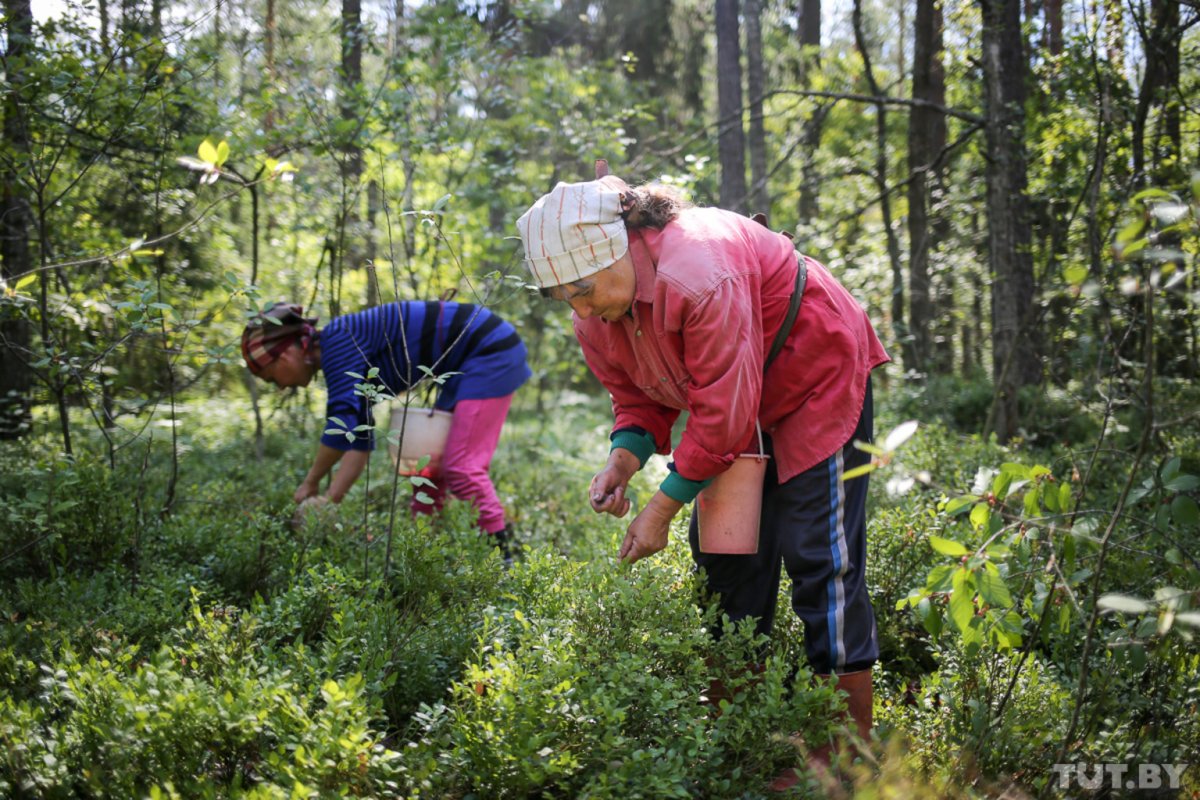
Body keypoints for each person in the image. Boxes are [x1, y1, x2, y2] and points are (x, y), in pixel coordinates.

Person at [516, 172, 889, 781]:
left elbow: (721, 418)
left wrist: (659, 508)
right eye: (565, 299)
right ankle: (739, 729)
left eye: (583, 290)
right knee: (725, 553)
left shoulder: (698, 270)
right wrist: (623, 458)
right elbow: (638, 395)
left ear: (616, 250)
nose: (581, 310)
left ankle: (845, 755)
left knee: (821, 554)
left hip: (812, 377)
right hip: (735, 396)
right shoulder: (597, 312)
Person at [241, 300, 531, 555]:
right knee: (427, 469)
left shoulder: (337, 341)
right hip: (465, 362)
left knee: (461, 467)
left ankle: (501, 553)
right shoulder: (339, 351)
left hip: (489, 348)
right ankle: (424, 549)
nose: (278, 386)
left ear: (286, 355)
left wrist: (311, 482)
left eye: (271, 378)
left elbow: (341, 430)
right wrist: (330, 502)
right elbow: (359, 439)